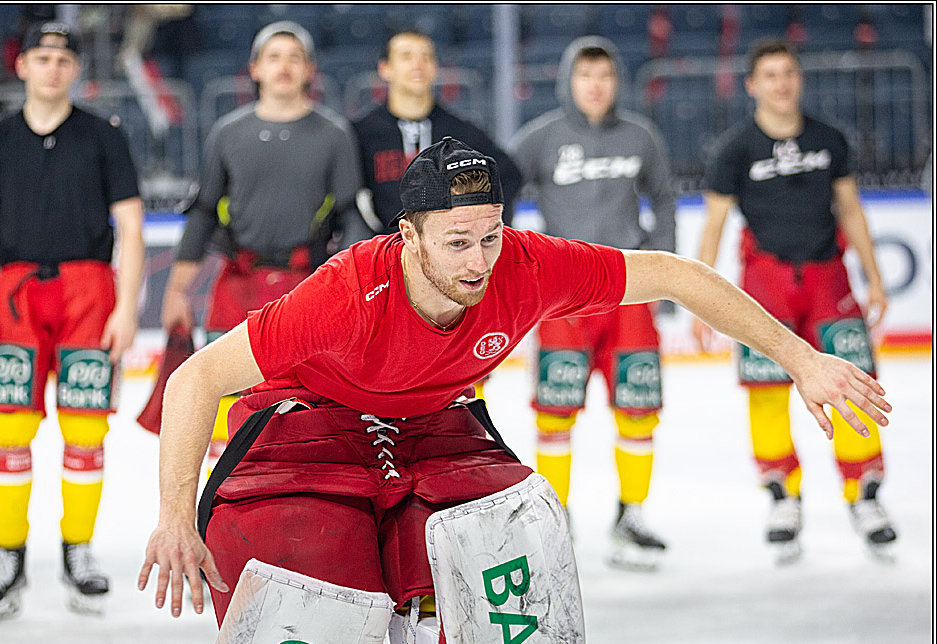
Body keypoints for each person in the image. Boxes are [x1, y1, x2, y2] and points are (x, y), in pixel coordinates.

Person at [137, 137, 891, 644]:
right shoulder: (347, 293)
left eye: (490, 237)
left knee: (494, 572)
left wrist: (801, 357)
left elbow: (672, 273)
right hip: (311, 420)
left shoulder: (526, 266)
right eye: (457, 242)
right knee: (320, 601)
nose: (478, 262)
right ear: (409, 236)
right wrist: (174, 515)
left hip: (432, 424)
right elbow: (194, 379)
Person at [0, 21, 144, 622]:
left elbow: (132, 226)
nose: (52, 68)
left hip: (90, 291)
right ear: (22, 66)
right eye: (41, 57)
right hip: (15, 293)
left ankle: (77, 552)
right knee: (8, 427)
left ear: (75, 69)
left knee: (86, 428)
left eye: (63, 59)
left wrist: (126, 308)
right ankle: (8, 556)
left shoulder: (104, 136)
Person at [693, 38, 896, 562]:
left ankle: (865, 494)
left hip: (830, 280)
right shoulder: (734, 149)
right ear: (751, 85)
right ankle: (783, 497)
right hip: (764, 286)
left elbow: (851, 210)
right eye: (770, 75)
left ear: (799, 79)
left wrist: (874, 278)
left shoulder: (829, 139)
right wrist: (700, 302)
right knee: (765, 391)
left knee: (852, 382)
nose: (781, 83)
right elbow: (713, 226)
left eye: (788, 72)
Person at [158, 21, 365, 473]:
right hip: (237, 286)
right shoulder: (227, 133)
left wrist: (353, 291)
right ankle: (222, 495)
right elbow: (203, 213)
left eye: (294, 57)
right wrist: (176, 291)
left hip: (307, 288)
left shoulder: (334, 134)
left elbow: (350, 215)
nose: (283, 66)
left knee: (305, 401)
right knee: (223, 394)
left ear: (310, 69)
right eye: (273, 57)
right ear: (254, 68)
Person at [510, 37, 677, 570]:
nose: (596, 86)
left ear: (617, 82)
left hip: (631, 291)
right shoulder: (540, 138)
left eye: (604, 76)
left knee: (638, 407)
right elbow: (500, 190)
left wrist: (666, 273)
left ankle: (632, 515)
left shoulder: (640, 136)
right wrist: (508, 261)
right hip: (564, 298)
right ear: (569, 81)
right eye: (585, 76)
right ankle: (556, 516)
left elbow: (665, 198)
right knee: (555, 411)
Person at [352, 29, 522, 236]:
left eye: (426, 57)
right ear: (384, 68)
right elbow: (345, 199)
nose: (418, 65)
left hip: (449, 250)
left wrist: (479, 229)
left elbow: (509, 176)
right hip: (383, 248)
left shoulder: (462, 133)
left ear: (435, 68)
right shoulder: (360, 134)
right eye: (406, 56)